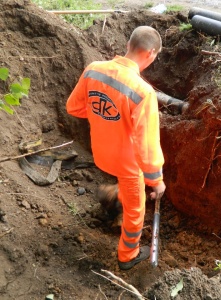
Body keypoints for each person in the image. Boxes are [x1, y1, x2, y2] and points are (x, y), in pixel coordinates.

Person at [66, 26, 166, 270]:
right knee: (135, 211)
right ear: (151, 53)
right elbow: (147, 146)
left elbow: (74, 107)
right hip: (127, 163)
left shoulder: (94, 71)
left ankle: (113, 194)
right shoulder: (143, 93)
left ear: (129, 45)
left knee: (130, 185)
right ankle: (128, 256)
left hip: (101, 153)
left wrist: (105, 120)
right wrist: (157, 181)